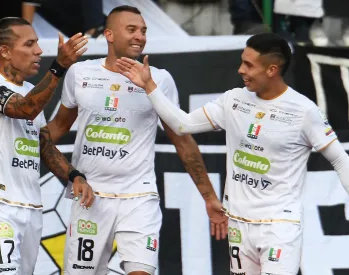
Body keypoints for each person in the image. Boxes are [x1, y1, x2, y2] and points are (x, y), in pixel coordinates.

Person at [115, 32, 349, 275]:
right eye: (242, 62)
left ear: (272, 69)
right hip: (239, 225)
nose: (241, 70)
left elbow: (340, 159)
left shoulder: (303, 111)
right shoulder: (234, 100)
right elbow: (183, 124)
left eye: (249, 65)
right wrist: (149, 86)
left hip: (279, 227)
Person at [46, 5, 225, 275]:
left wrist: (209, 198)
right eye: (131, 29)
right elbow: (57, 128)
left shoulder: (159, 80)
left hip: (139, 197)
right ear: (109, 34)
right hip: (90, 196)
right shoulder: (80, 74)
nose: (140, 36)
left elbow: (183, 141)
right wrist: (18, 144)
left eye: (143, 31)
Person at [0, 17, 94, 275]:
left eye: (37, 44)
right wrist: (59, 66)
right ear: (4, 51)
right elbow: (24, 108)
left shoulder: (30, 89)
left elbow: (43, 145)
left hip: (31, 207)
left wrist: (74, 175)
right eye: (30, 44)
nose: (39, 51)